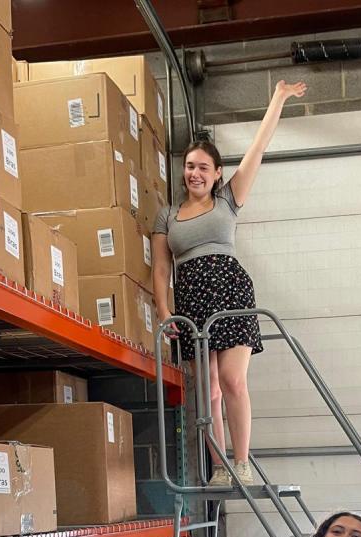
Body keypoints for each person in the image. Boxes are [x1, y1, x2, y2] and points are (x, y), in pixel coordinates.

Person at [152, 80, 306, 488]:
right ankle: (219, 468)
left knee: (232, 381)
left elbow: (257, 148)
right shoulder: (167, 217)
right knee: (209, 395)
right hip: (192, 306)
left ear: (217, 173)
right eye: (190, 166)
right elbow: (160, 271)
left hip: (231, 296)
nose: (195, 173)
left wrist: (277, 98)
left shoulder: (228, 199)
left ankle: (241, 462)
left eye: (204, 167)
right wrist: (167, 315)